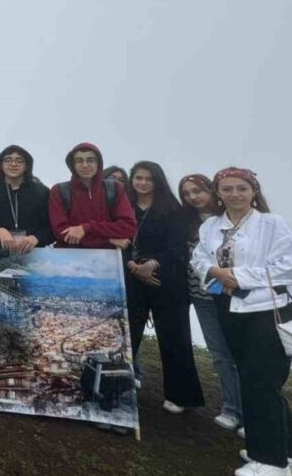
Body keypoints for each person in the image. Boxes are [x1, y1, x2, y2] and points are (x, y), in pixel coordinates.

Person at [191, 168, 292, 476]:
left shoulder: (271, 224)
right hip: (229, 309)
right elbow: (199, 258)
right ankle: (291, 455)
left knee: (262, 383)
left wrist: (239, 277)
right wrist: (216, 273)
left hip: (268, 312)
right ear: (218, 193)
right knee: (256, 381)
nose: (234, 194)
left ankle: (270, 462)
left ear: (253, 192)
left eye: (241, 188)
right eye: (227, 189)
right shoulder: (211, 226)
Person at [123, 161, 205, 416]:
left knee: (175, 338)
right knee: (127, 335)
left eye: (148, 178)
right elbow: (118, 239)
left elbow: (178, 248)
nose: (143, 183)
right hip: (132, 276)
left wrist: (152, 265)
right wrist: (134, 266)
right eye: (138, 178)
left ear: (157, 181)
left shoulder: (174, 210)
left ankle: (181, 395)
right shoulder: (124, 207)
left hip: (168, 280)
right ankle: (119, 385)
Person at [180, 173, 242, 431]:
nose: (193, 197)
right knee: (219, 354)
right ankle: (232, 408)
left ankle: (253, 411)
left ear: (211, 191)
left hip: (232, 295)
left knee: (241, 353)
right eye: (187, 193)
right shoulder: (185, 221)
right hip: (201, 295)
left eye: (198, 191)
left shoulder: (230, 218)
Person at [48, 143, 137, 249]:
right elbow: (61, 232)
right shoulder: (59, 191)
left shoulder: (115, 189)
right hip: (68, 259)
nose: (85, 165)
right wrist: (107, 240)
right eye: (79, 161)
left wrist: (86, 228)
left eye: (90, 160)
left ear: (98, 163)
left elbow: (129, 227)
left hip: (107, 259)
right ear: (72, 165)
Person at [0, 145, 54, 251]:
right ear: (1, 165)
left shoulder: (42, 192)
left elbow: (51, 228)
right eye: (8, 160)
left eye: (19, 161)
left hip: (36, 255)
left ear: (27, 166)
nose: (13, 164)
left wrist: (36, 238)